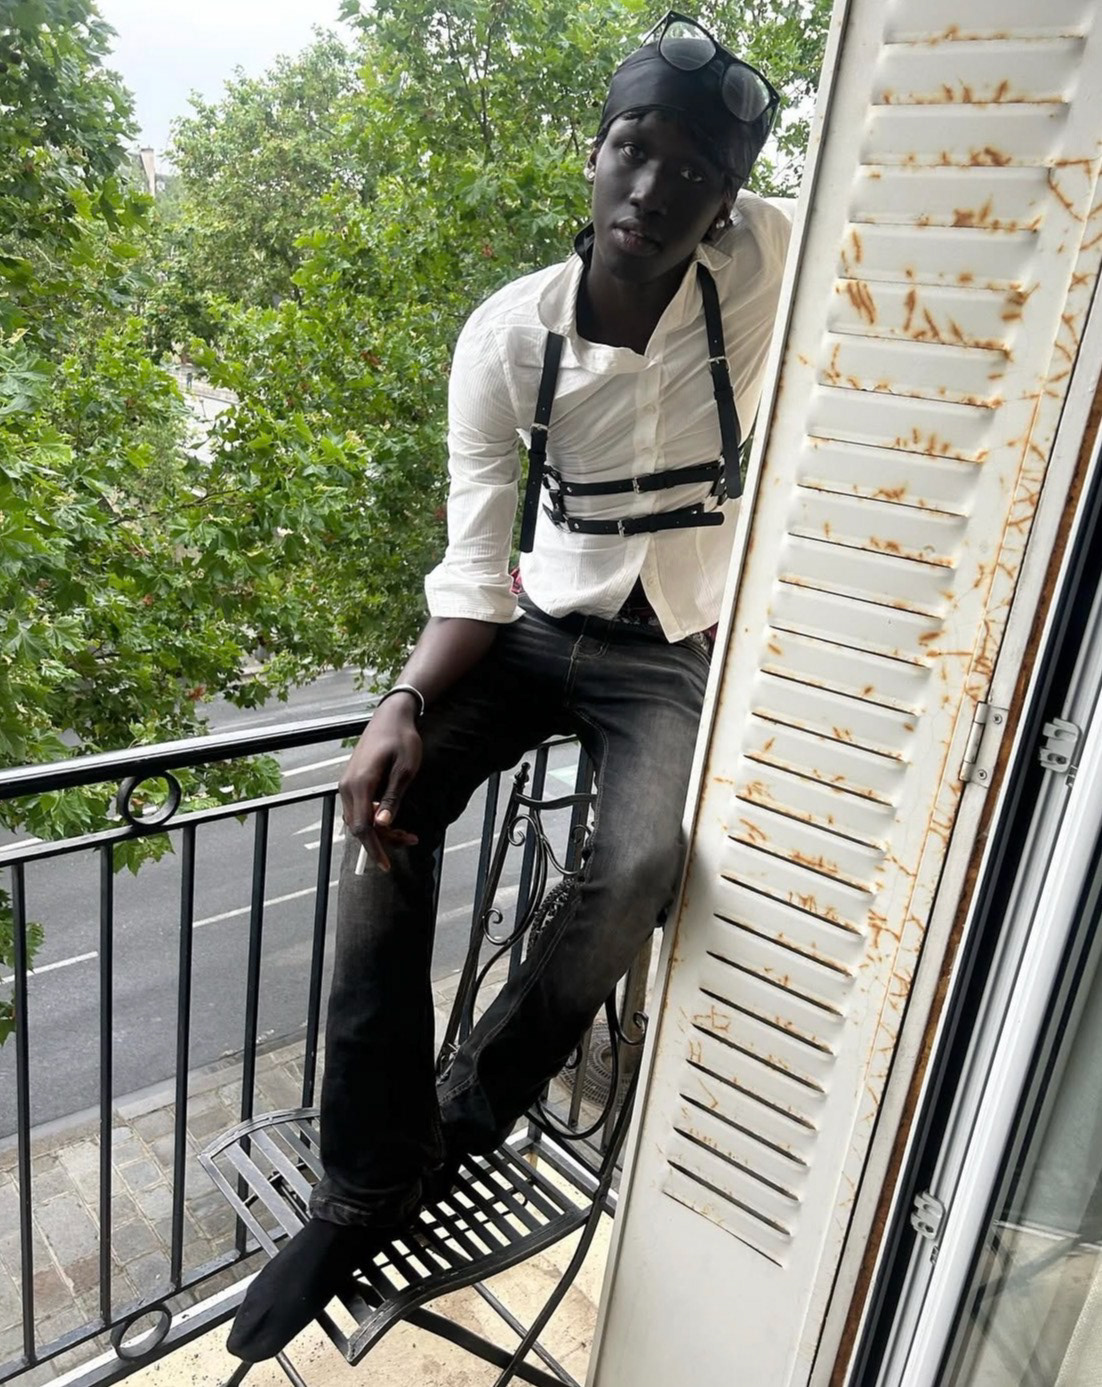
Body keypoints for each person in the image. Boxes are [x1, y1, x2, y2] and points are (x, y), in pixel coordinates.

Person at [228, 11, 791, 1362]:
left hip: (676, 644)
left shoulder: (776, 256)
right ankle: (365, 1182)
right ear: (591, 155)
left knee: (640, 863)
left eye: (693, 172)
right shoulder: (505, 341)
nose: (654, 189)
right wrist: (399, 708)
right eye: (632, 152)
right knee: (379, 819)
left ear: (725, 202)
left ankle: (468, 1116)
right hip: (536, 627)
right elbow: (477, 567)